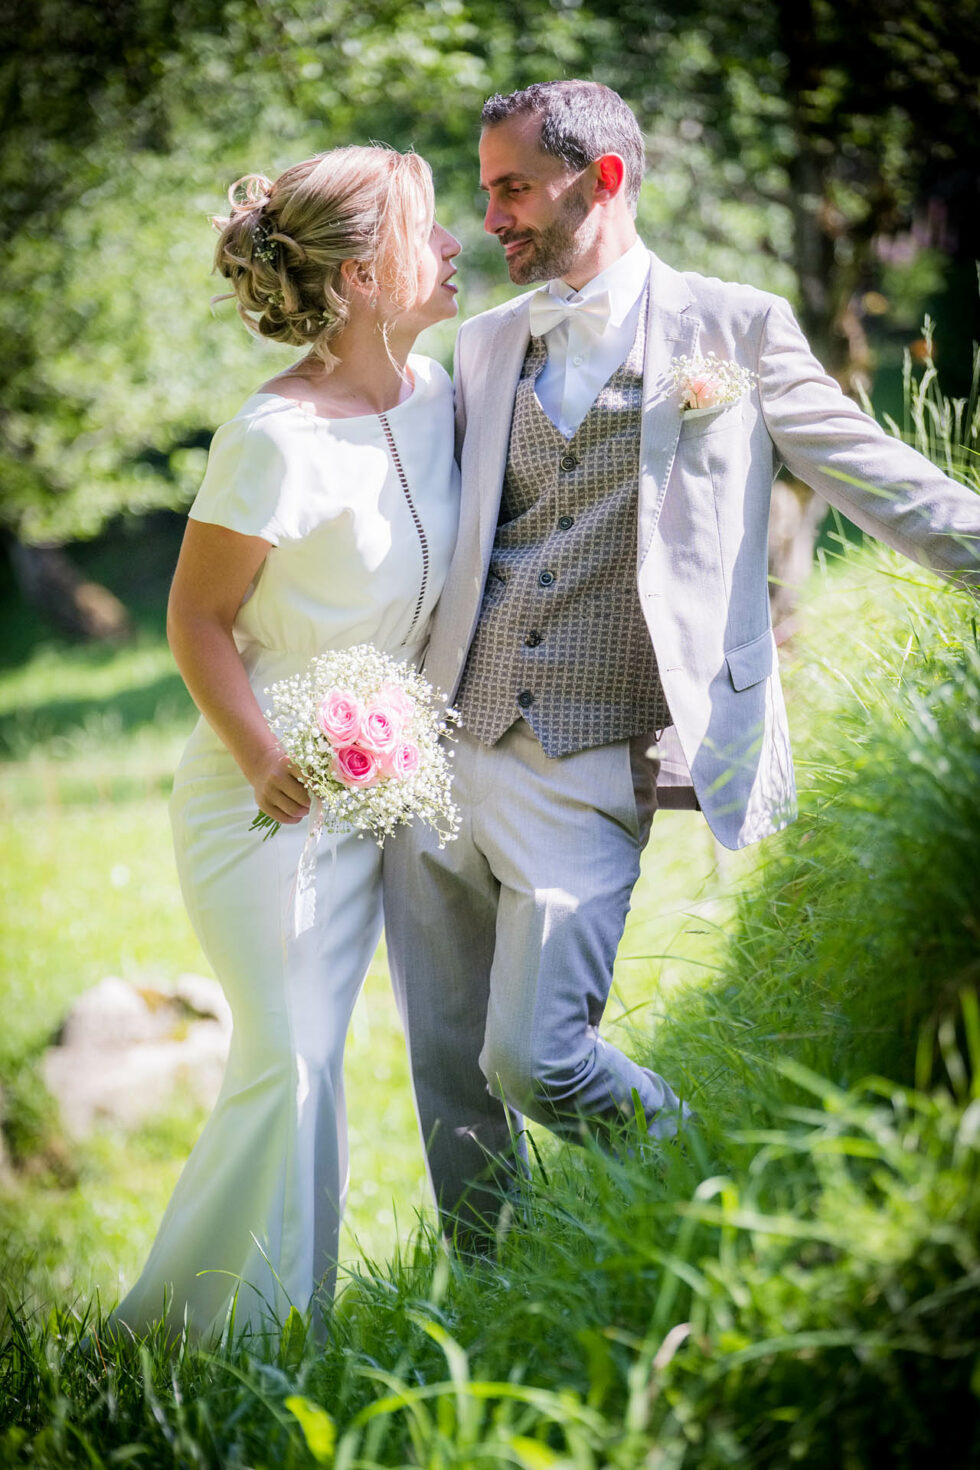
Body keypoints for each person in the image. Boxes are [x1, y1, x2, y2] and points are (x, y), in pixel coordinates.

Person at [383, 79, 980, 1240]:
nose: (489, 217)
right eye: (485, 189)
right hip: (439, 740)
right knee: (449, 1071)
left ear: (599, 178)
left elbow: (869, 473)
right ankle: (491, 1285)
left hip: (587, 751)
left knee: (534, 1056)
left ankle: (691, 1178)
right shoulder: (483, 341)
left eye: (511, 187)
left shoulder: (734, 325)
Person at [110, 145, 460, 1342]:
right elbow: (195, 620)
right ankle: (200, 1338)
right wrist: (265, 756)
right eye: (431, 227)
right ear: (364, 276)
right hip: (263, 799)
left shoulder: (444, 397)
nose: (457, 244)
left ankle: (271, 1326)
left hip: (377, 797)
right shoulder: (271, 437)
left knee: (310, 1061)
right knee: (288, 1057)